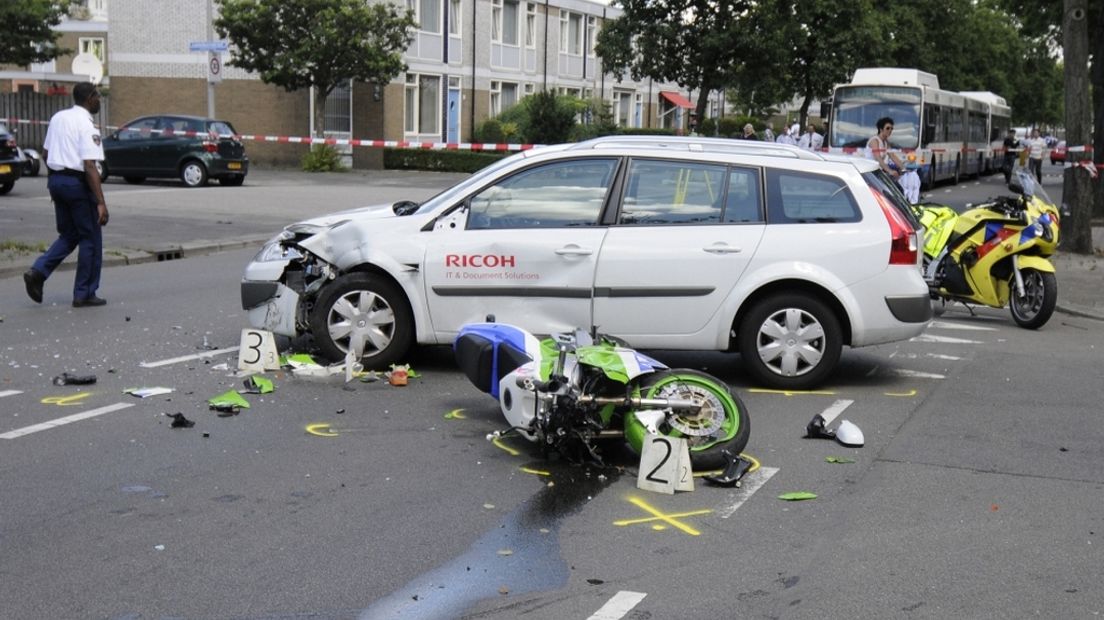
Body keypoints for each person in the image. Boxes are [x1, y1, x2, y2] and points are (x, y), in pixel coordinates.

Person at [23, 82, 110, 307]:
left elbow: (46, 153)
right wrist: (101, 202)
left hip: (57, 180)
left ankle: (38, 272)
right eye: (97, 96)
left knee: (69, 235)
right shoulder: (87, 125)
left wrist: (56, 182)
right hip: (77, 185)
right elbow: (89, 166)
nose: (99, 100)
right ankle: (84, 293)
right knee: (90, 238)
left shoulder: (58, 118)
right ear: (89, 98)